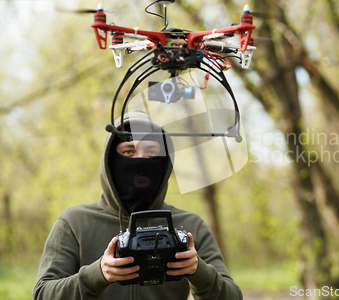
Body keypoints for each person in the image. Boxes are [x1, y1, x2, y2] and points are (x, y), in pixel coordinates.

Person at [33, 110, 242, 300]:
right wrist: (98, 273)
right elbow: (43, 294)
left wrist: (198, 271)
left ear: (164, 162)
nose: (141, 162)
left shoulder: (189, 226)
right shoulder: (74, 222)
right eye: (129, 152)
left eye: (151, 152)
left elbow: (232, 296)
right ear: (110, 161)